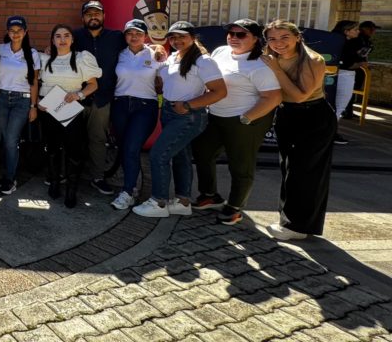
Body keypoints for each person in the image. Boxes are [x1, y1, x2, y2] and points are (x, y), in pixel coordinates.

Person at [192, 19, 282, 226]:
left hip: (243, 121)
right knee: (202, 152)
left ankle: (234, 207)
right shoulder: (221, 52)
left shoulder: (260, 65)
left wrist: (247, 118)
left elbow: (273, 97)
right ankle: (210, 195)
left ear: (255, 39)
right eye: (231, 33)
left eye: (241, 35)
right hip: (215, 116)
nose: (234, 38)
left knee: (240, 165)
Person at [131, 22, 226, 218]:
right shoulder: (174, 56)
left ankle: (158, 202)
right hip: (170, 110)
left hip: (188, 115)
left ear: (193, 37)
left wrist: (188, 105)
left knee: (158, 155)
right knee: (181, 156)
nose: (176, 41)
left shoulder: (203, 61)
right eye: (172, 37)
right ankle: (183, 202)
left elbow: (219, 92)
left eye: (182, 36)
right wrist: (155, 47)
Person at [261, 20, 335, 240]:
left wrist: (275, 69)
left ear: (297, 37)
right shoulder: (270, 55)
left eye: (284, 37)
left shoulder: (313, 59)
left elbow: (300, 95)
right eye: (272, 38)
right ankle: (291, 222)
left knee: (305, 173)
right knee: (289, 170)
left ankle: (298, 227)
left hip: (312, 117)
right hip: (287, 115)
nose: (278, 43)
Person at [37, 24, 102, 208]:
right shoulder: (45, 59)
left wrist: (78, 95)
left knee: (74, 151)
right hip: (49, 110)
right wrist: (38, 102)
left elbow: (93, 85)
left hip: (70, 109)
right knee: (52, 148)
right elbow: (36, 81)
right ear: (53, 40)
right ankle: (55, 182)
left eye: (66, 35)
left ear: (72, 39)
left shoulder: (81, 58)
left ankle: (72, 190)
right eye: (58, 36)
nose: (62, 39)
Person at [108, 20, 164, 210]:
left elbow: (170, 75)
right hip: (120, 105)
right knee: (124, 147)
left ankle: (128, 191)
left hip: (144, 106)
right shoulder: (119, 54)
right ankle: (132, 185)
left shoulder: (156, 54)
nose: (134, 37)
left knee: (132, 147)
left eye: (138, 33)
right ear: (125, 36)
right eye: (130, 33)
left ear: (145, 36)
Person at [72, 0, 126, 196]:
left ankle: (97, 177)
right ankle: (65, 173)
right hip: (75, 96)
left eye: (97, 13)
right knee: (71, 137)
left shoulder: (116, 37)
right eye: (88, 14)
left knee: (98, 138)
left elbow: (137, 47)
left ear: (104, 16)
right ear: (83, 17)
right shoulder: (74, 36)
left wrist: (156, 51)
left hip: (102, 97)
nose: (93, 17)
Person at [0, 16, 40, 195]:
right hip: (2, 99)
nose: (15, 34)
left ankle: (10, 179)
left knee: (11, 139)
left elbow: (34, 81)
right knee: (6, 139)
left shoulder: (32, 53)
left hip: (22, 100)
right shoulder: (0, 49)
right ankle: (8, 174)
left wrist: (33, 106)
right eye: (12, 30)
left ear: (25, 32)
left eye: (19, 30)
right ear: (7, 32)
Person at [333, 19, 365, 138]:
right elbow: (348, 64)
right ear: (346, 31)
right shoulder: (346, 44)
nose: (358, 32)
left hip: (334, 74)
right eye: (355, 29)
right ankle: (332, 132)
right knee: (340, 105)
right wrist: (360, 64)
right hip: (345, 75)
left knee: (334, 104)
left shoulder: (335, 42)